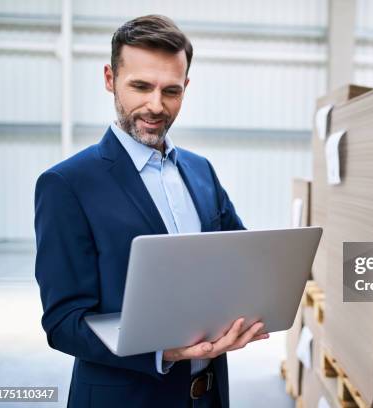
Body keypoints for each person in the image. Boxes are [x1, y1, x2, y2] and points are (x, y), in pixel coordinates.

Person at [34, 15, 267, 408]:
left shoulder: (201, 171)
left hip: (207, 397)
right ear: (110, 79)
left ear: (186, 87)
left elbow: (241, 262)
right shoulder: (67, 185)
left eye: (171, 91)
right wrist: (165, 351)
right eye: (140, 86)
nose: (156, 106)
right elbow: (63, 324)